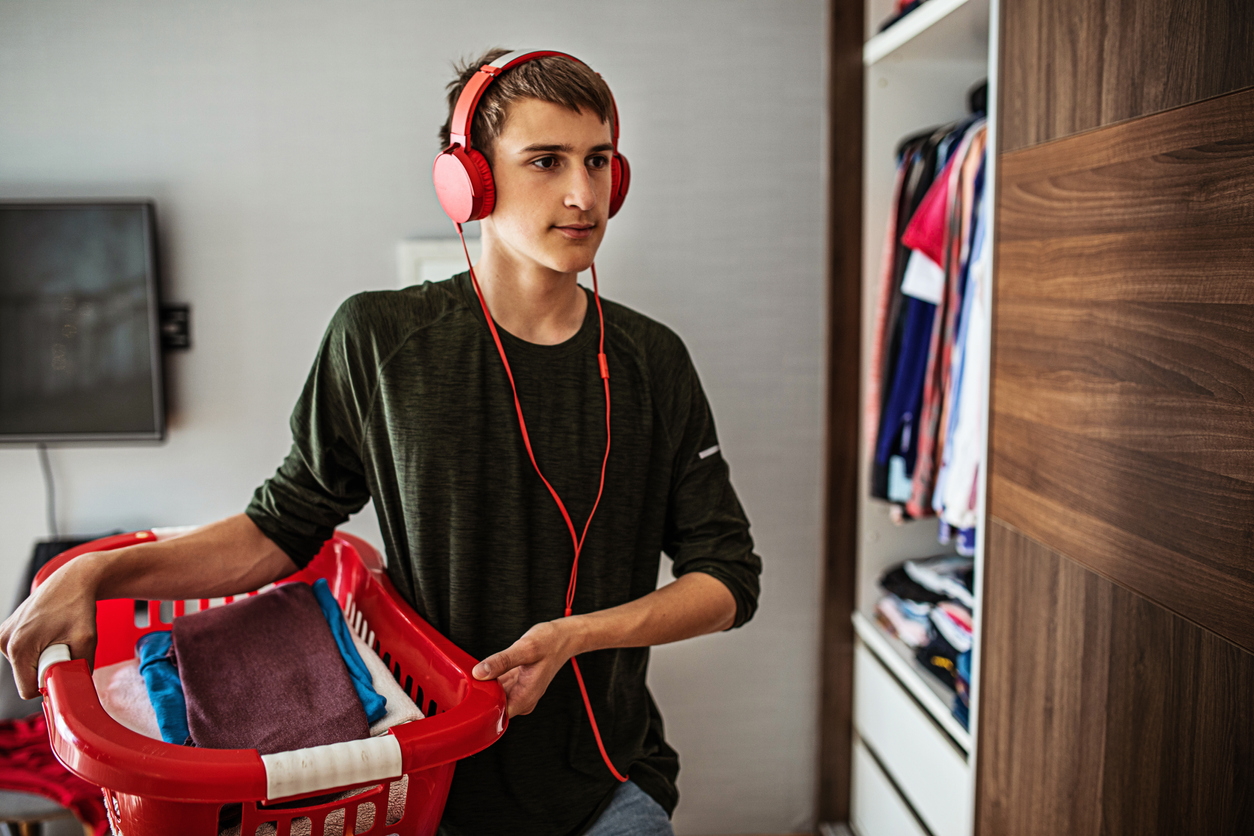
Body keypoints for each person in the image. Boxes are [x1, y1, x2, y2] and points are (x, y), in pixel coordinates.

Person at [0, 48, 761, 835]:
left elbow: (730, 578)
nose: (583, 193)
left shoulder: (653, 360)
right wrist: (100, 571)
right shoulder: (380, 339)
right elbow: (278, 530)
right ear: (471, 181)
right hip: (416, 790)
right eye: (546, 161)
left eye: (598, 161)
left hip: (606, 785)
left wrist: (579, 636)